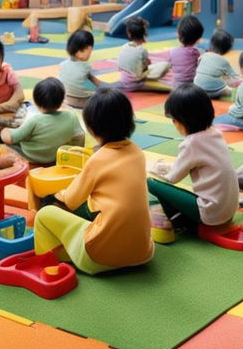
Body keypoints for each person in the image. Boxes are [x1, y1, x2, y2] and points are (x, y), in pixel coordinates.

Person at [32, 88, 154, 275]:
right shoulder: (137, 153)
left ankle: (51, 264)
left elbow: (71, 200)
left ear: (91, 128)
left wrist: (55, 195)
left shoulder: (98, 159)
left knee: (45, 213)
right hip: (142, 253)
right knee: (98, 209)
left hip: (99, 258)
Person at [147, 84, 238, 234]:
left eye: (174, 120)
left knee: (151, 184)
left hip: (211, 213)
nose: (174, 124)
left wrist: (154, 169)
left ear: (183, 120)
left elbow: (173, 178)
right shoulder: (215, 133)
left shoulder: (191, 143)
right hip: (228, 211)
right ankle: (179, 220)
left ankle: (168, 222)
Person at [0, 77, 85, 165]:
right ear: (62, 100)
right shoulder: (71, 116)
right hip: (55, 156)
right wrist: (75, 152)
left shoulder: (35, 121)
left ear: (36, 102)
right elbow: (80, 136)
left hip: (31, 157)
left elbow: (10, 139)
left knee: (7, 144)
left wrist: (3, 130)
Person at [116, 16, 169, 92]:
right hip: (135, 84)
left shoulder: (124, 47)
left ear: (129, 33)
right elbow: (143, 70)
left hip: (123, 80)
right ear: (144, 34)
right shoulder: (142, 50)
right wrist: (147, 64)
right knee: (165, 64)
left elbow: (120, 67)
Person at [59, 28, 103, 108]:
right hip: (85, 102)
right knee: (104, 94)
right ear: (87, 49)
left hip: (66, 100)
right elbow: (94, 83)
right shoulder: (86, 66)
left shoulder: (63, 64)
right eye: (90, 50)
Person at [194, 28, 241, 98]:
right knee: (228, 89)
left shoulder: (204, 55)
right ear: (228, 48)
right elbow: (234, 76)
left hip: (197, 89)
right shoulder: (223, 61)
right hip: (213, 92)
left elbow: (198, 62)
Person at [168, 14, 203, 86]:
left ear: (179, 35)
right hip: (193, 87)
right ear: (198, 37)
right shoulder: (198, 53)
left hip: (176, 88)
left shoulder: (173, 52)